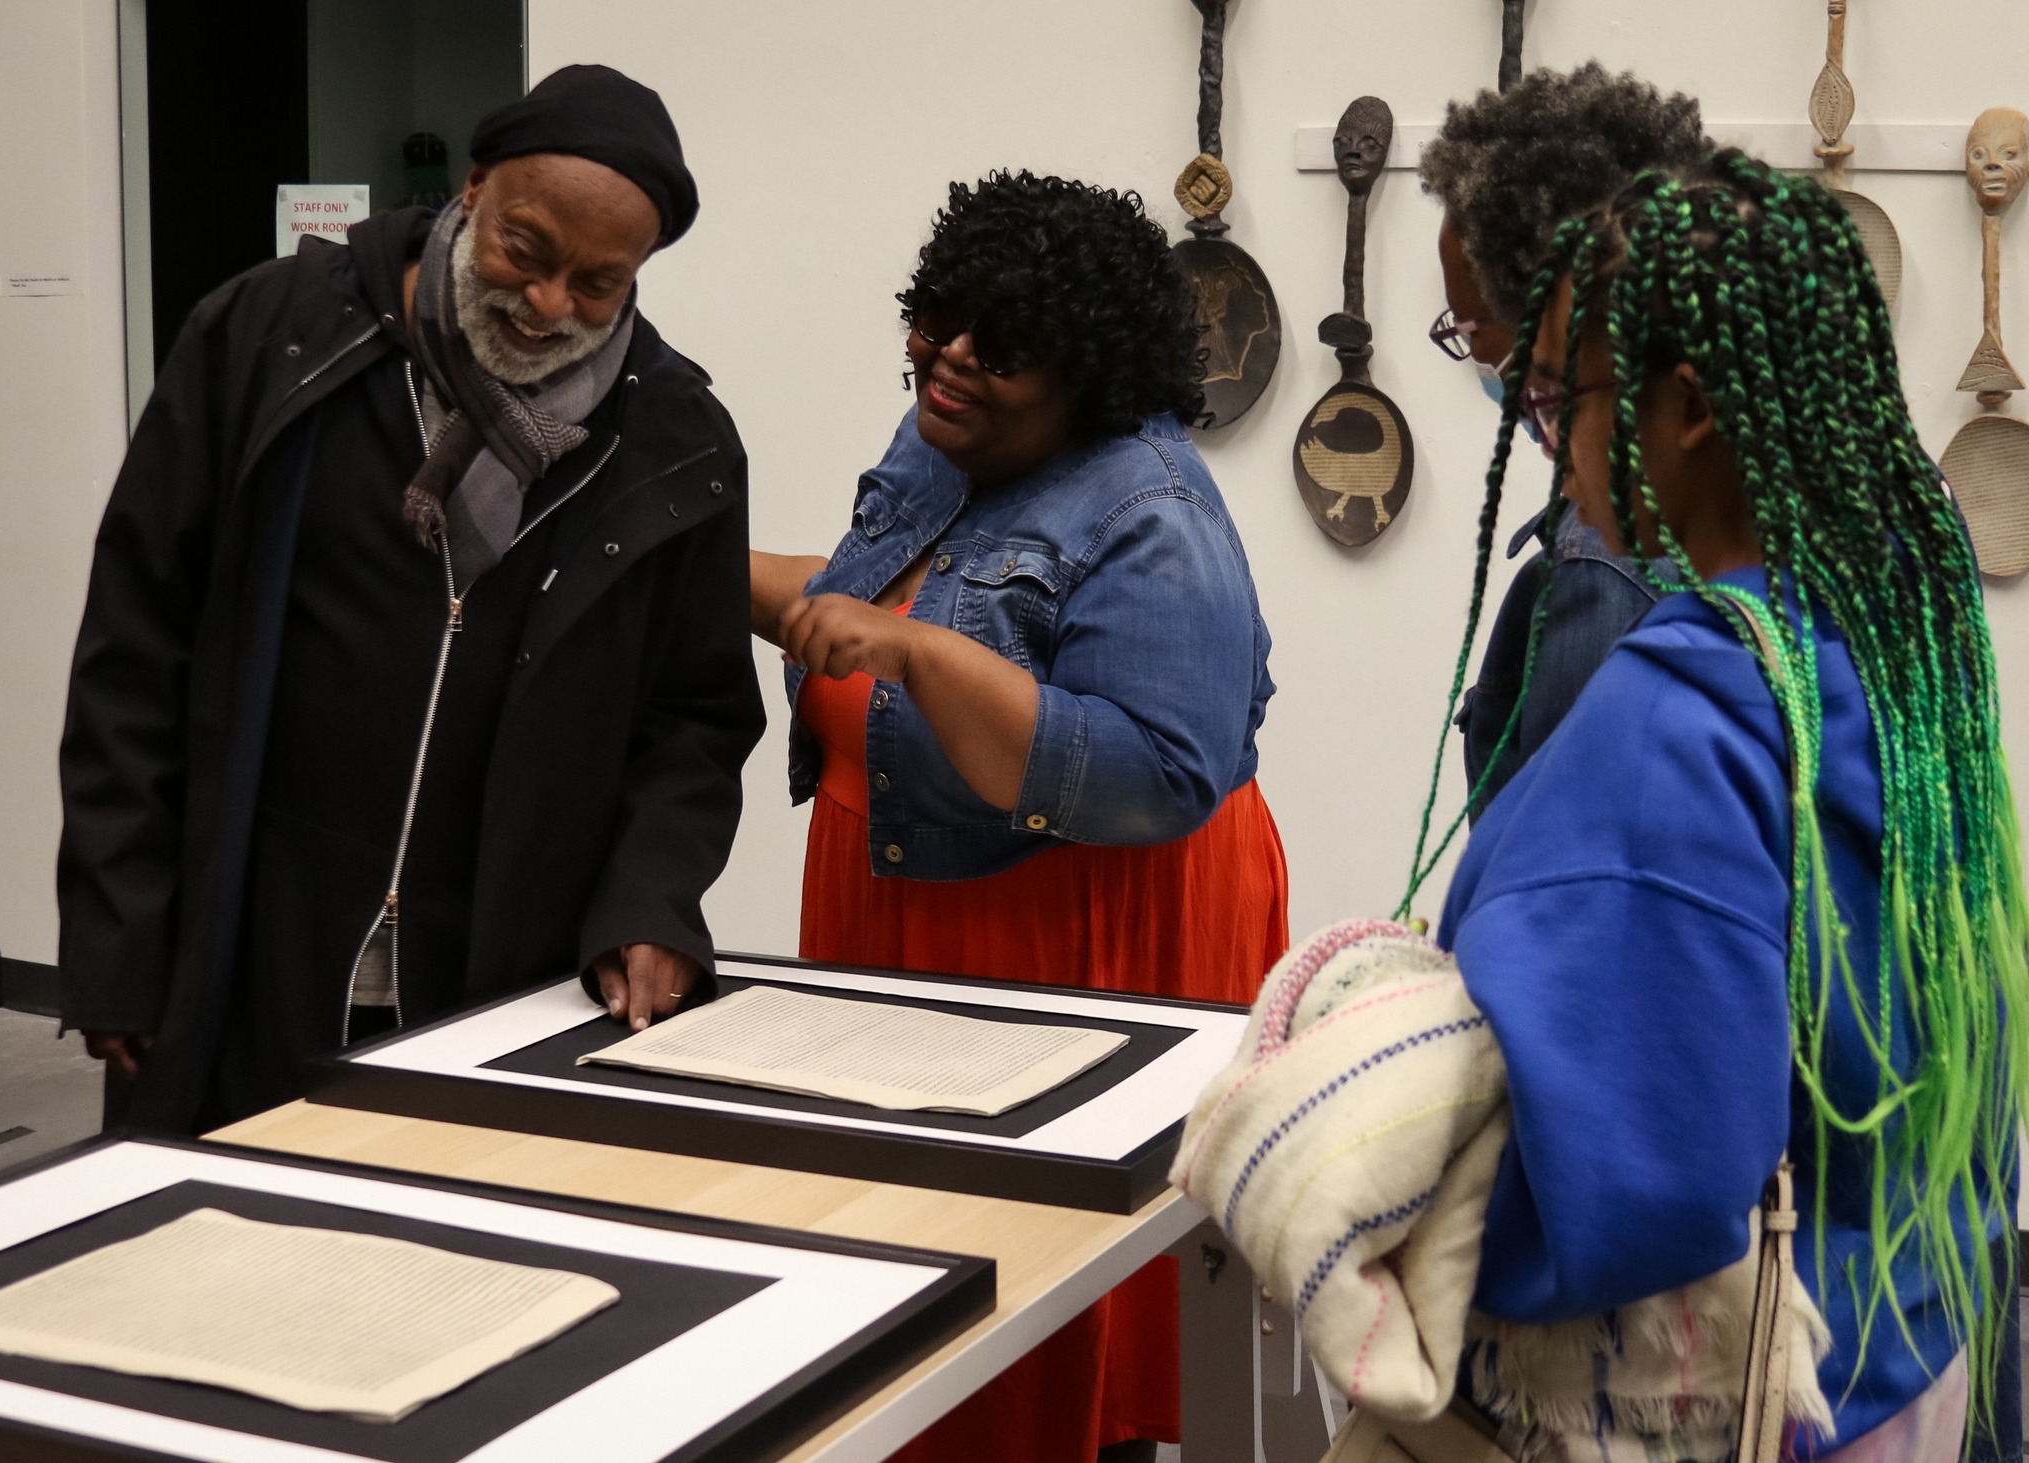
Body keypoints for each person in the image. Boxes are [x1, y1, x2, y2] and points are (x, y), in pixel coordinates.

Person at [1409, 150, 2028, 1461]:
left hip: (1758, 1408)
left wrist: (1381, 1172)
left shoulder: (1670, 726)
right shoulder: (1883, 651)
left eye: (1561, 395)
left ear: (1681, 408)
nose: (1547, 433)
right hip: (1903, 1352)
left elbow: (1633, 1188)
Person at [58, 65, 764, 1134]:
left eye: (598, 282)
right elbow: (136, 649)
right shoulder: (266, 338)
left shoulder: (674, 441)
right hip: (251, 946)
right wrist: (120, 940)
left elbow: (694, 720)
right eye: (525, 251)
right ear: (472, 187)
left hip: (505, 973)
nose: (547, 305)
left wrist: (650, 902)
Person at [750, 171, 1287, 1463]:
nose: (953, 358)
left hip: (1079, 910)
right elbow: (852, 608)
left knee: (1038, 1313)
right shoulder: (946, 432)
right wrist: (681, 550)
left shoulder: (1154, 511)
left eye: (1006, 346)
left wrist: (924, 656)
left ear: (1092, 371)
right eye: (941, 319)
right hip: (915, 892)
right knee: (907, 1281)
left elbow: (1160, 770)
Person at [1417, 64, 1705, 810]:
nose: (1474, 352)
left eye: (1473, 324)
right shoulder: (1879, 504)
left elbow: (1567, 865)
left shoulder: (1610, 550)